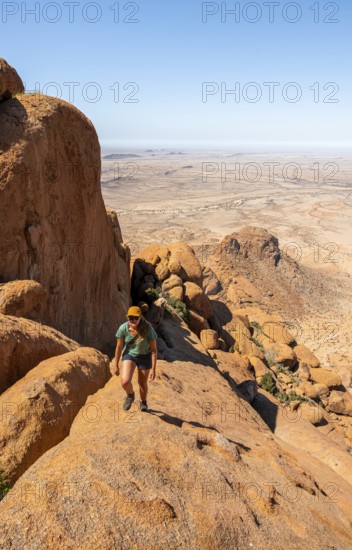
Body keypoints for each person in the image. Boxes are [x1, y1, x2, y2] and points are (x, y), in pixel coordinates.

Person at [114, 306, 158, 412]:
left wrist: (153, 369)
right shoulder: (123, 328)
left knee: (142, 383)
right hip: (130, 355)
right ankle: (130, 395)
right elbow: (119, 347)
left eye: (135, 317)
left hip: (145, 356)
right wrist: (115, 365)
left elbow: (154, 350)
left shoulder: (148, 329)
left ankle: (143, 402)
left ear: (140, 317)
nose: (133, 320)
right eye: (130, 318)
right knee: (125, 382)